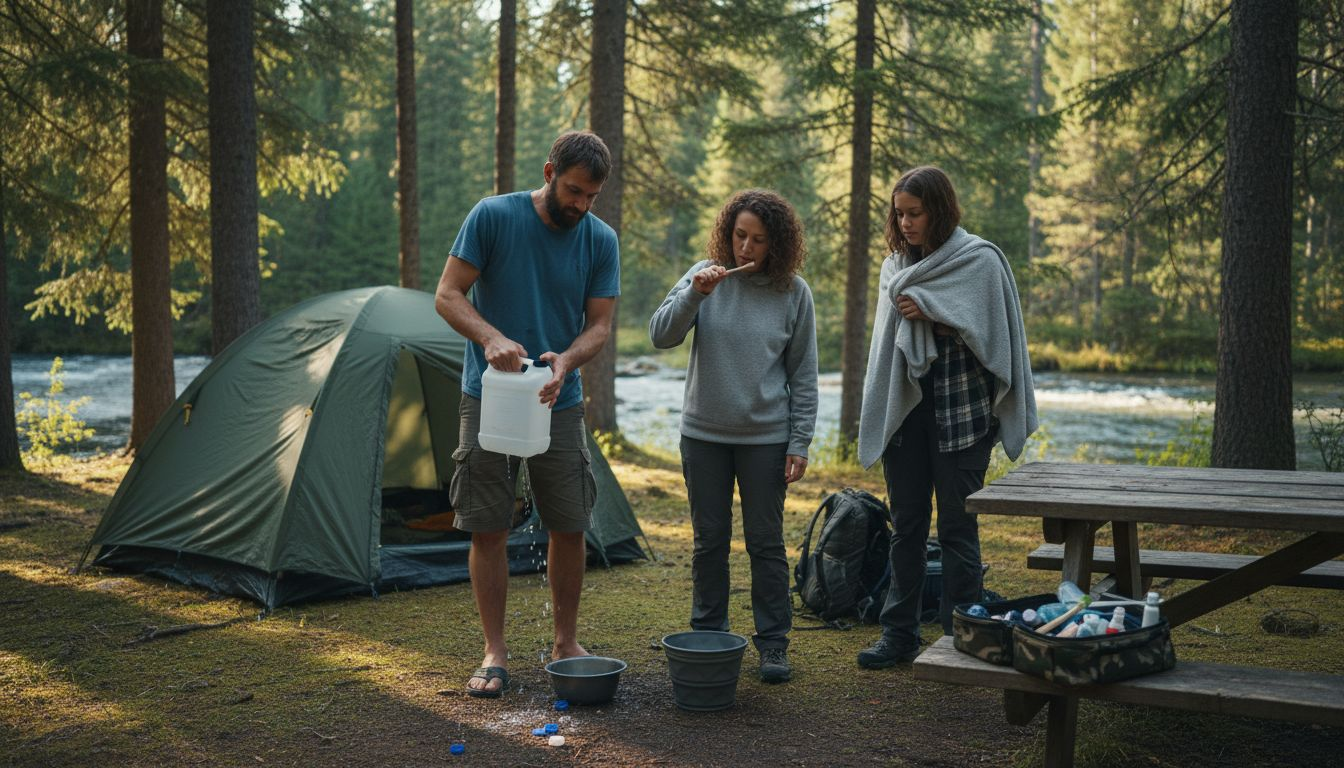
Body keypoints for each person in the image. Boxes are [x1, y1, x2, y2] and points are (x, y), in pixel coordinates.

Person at [434, 131, 619, 698]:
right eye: (573, 191)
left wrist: (566, 359)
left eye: (591, 196)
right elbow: (447, 294)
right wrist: (490, 338)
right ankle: (494, 651)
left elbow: (601, 326)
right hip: (489, 396)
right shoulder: (493, 217)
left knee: (570, 523)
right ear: (548, 171)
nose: (581, 205)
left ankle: (566, 641)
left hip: (556, 400)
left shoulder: (599, 239)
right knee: (487, 525)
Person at [855, 166, 1036, 668]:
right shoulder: (895, 267)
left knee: (959, 529)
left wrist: (938, 317)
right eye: (899, 213)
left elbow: (994, 336)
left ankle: (964, 632)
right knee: (906, 526)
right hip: (906, 411)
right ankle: (899, 634)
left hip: (963, 413)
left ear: (940, 210)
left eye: (915, 213)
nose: (906, 222)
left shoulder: (979, 260)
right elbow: (884, 346)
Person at [649, 189, 818, 684]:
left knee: (765, 543)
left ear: (777, 244)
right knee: (709, 541)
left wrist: (799, 441)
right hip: (703, 435)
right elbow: (661, 334)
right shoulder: (707, 276)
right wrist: (695, 293)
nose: (745, 247)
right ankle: (709, 634)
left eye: (758, 240)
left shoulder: (793, 292)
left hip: (766, 438)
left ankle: (773, 645)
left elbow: (803, 376)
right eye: (739, 235)